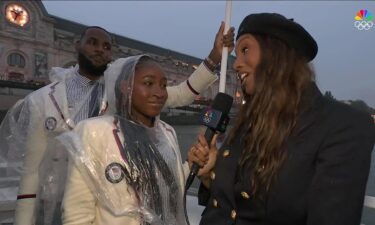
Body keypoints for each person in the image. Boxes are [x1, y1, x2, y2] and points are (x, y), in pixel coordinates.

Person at [0, 23, 234, 225]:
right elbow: (30, 173)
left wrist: (214, 57)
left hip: (110, 194)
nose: (100, 49)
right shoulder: (42, 100)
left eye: (107, 46)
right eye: (92, 42)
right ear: (76, 45)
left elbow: (183, 93)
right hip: (52, 200)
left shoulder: (126, 94)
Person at [188, 13, 375, 225]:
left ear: (277, 55)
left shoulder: (344, 126)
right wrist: (209, 176)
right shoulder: (249, 122)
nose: (236, 64)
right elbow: (235, 205)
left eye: (245, 50)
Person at [60, 55, 188, 225]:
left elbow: (168, 184)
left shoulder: (167, 132)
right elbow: (76, 214)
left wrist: (192, 165)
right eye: (148, 83)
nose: (159, 93)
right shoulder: (94, 133)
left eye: (163, 85)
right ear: (125, 87)